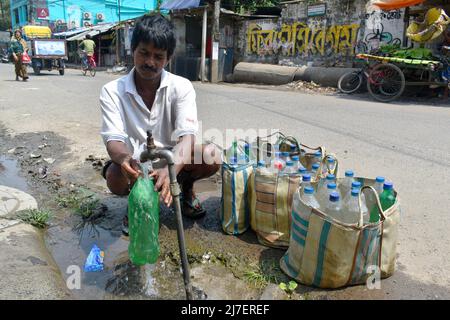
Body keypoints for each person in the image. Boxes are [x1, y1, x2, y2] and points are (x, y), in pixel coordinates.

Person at [100, 14, 221, 235]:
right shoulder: (111, 91)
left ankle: (186, 188)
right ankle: (137, 201)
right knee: (114, 177)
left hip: (174, 160)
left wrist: (170, 167)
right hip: (137, 162)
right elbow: (113, 140)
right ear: (133, 49)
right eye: (144, 53)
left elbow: (187, 137)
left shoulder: (181, 87)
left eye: (158, 56)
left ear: (168, 58)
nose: (150, 62)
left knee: (211, 154)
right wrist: (126, 159)